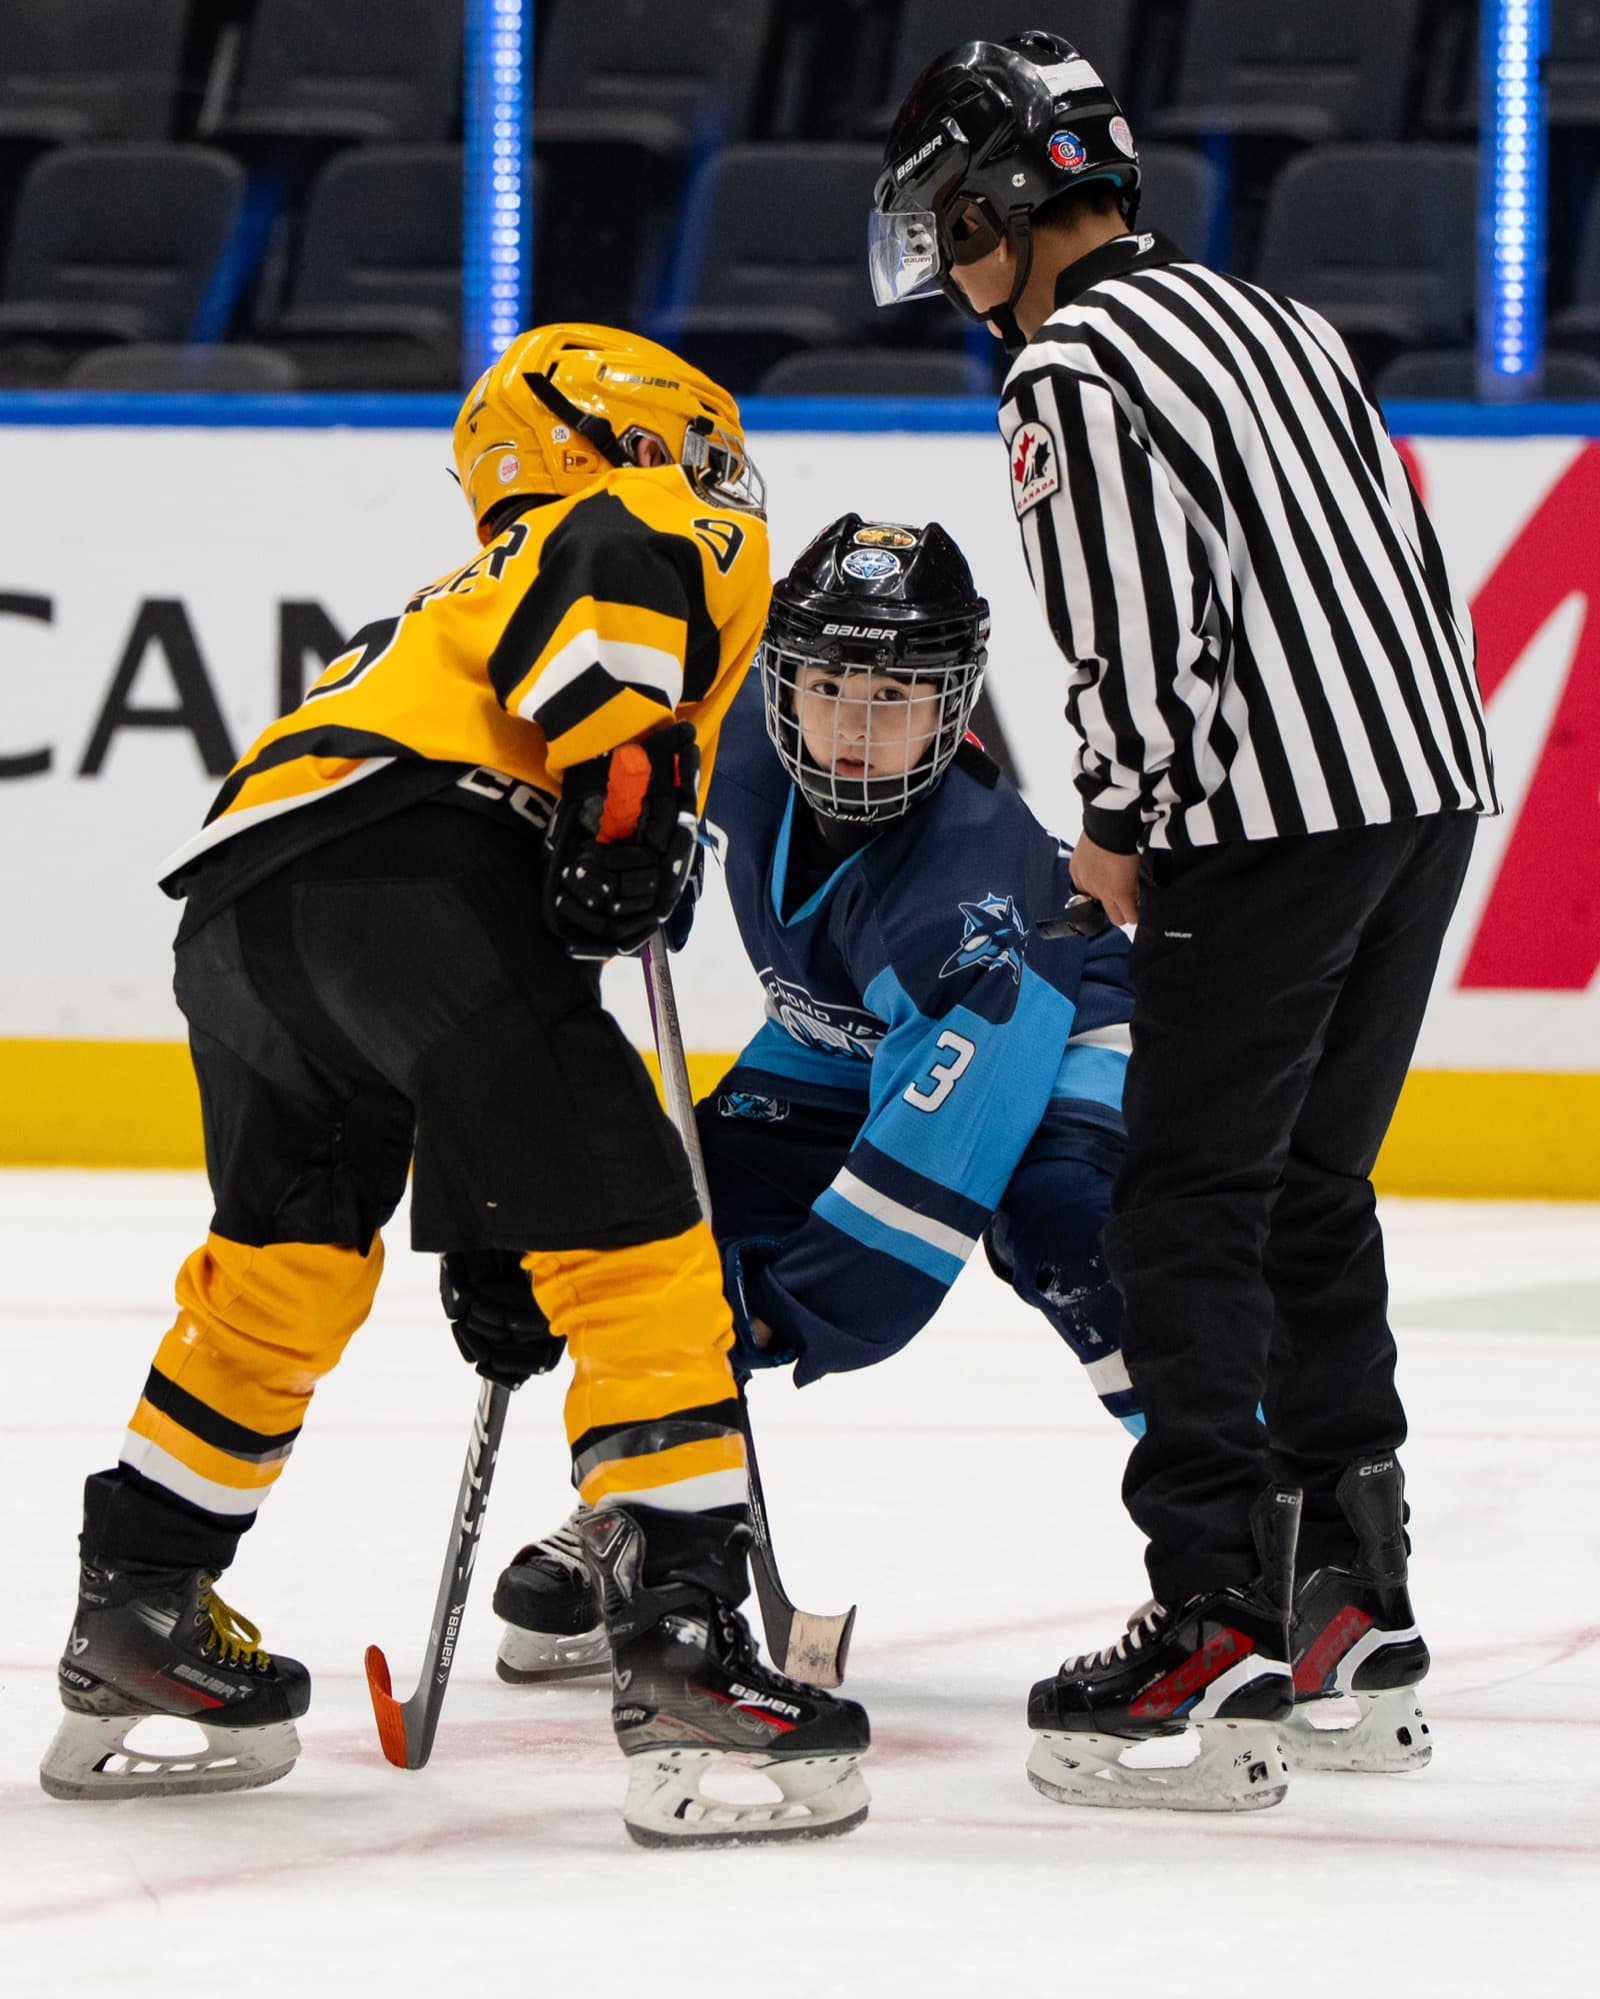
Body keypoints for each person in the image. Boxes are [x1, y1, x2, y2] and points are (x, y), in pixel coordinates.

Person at [39, 323, 869, 1849]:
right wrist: (627, 789)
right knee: (643, 1249)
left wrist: (491, 1221)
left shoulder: (446, 606)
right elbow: (615, 596)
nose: (714, 477)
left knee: (279, 1266)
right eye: (694, 444)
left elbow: (472, 1019)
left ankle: (139, 1601)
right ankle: (683, 1637)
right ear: (621, 434)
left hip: (246, 904)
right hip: (418, 869)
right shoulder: (622, 518)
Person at [871, 33, 1495, 1811]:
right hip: (1424, 786)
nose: (956, 273)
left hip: (1269, 819)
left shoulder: (1071, 369)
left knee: (1185, 1199)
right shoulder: (1275, 313)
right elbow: (1395, 560)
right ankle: (1350, 1615)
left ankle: (1213, 1620)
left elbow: (1143, 634)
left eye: (952, 225)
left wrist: (1123, 828)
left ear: (1003, 202)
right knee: (1310, 1186)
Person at [489, 512, 1140, 1684]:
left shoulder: (967, 905)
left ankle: (1247, 1539)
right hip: (832, 1038)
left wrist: (773, 1310)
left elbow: (914, 1210)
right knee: (664, 1243)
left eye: (893, 696)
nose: (850, 726)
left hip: (1061, 1016)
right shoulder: (738, 738)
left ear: (953, 702)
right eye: (829, 685)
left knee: (1063, 1228)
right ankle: (644, 1512)